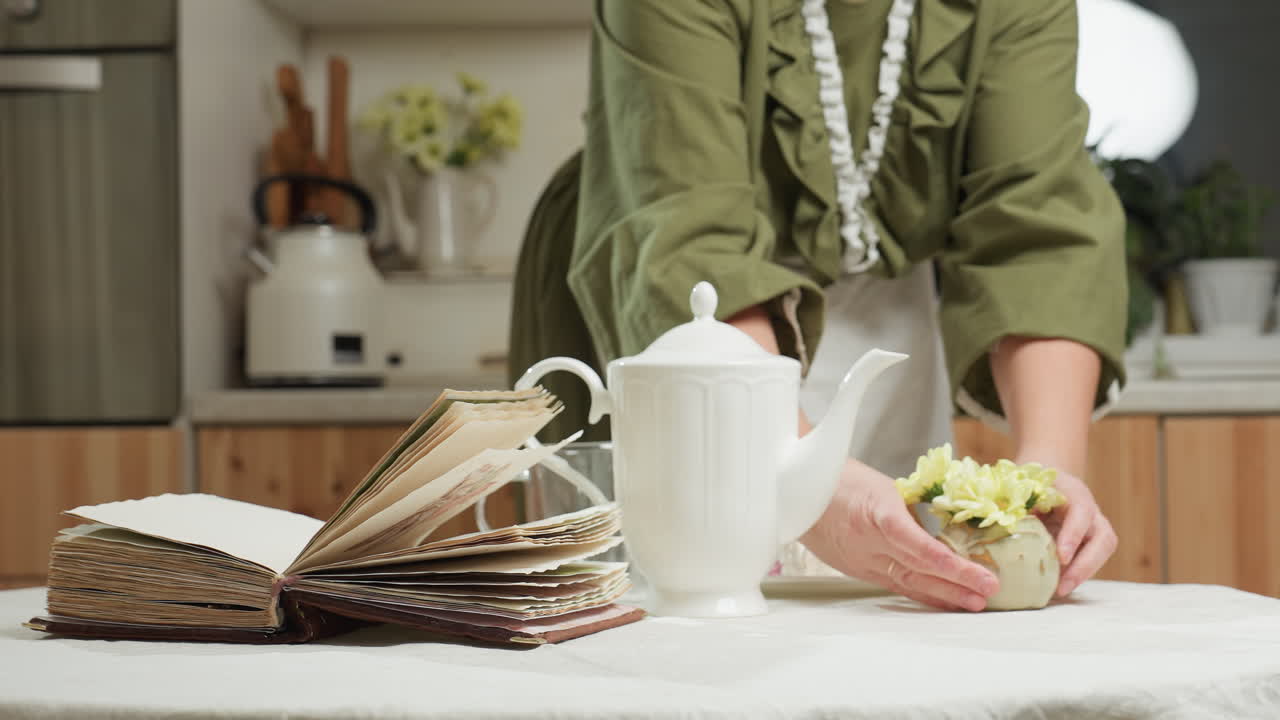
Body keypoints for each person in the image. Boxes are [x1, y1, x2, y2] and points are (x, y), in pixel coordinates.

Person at [508, 0, 1125, 613]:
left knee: (886, 632)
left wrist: (1045, 476)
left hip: (888, 308)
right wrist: (805, 485)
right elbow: (686, 237)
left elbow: (1038, 232)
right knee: (679, 623)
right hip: (671, 314)